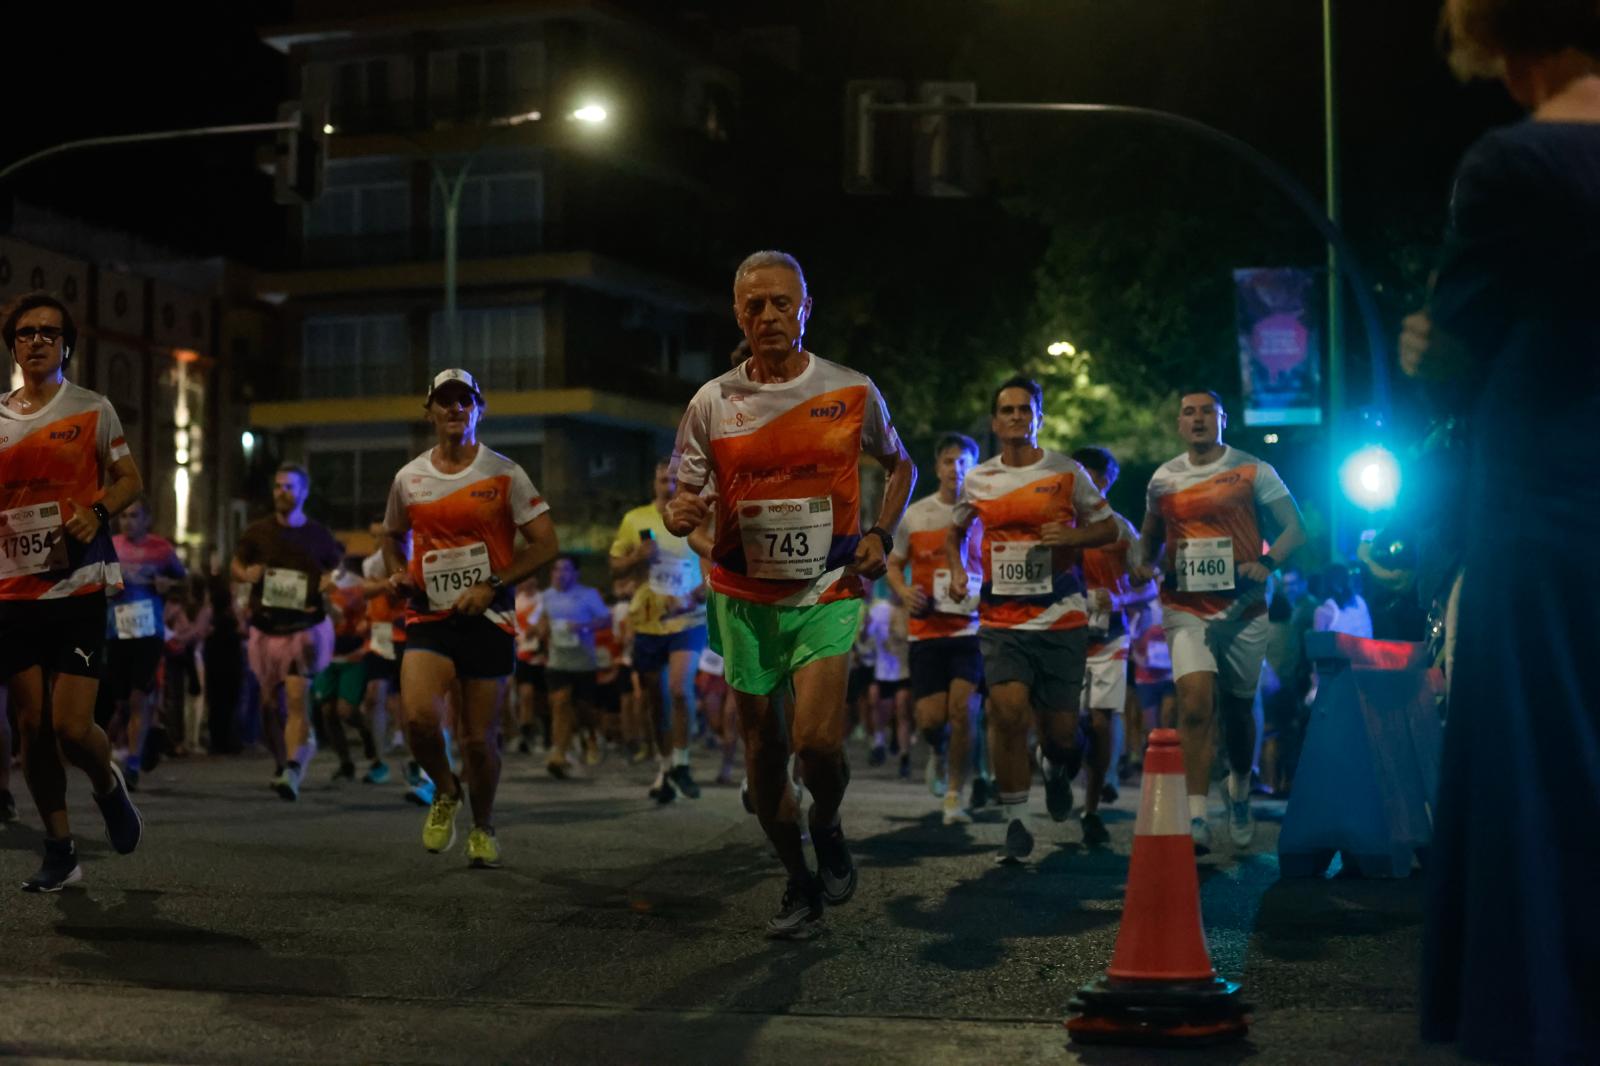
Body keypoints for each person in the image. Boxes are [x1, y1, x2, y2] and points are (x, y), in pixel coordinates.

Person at [1408, 5, 1600, 1060]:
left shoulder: (1513, 162)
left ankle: (1546, 1017)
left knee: (1543, 762)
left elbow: (1458, 345)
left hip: (1545, 498)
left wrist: (1423, 341)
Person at [665, 249, 915, 938]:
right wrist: (679, 513)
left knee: (818, 743)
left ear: (806, 308)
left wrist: (883, 533)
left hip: (826, 588)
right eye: (755, 305)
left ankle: (827, 822)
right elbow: (684, 491)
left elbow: (901, 463)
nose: (769, 315)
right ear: (737, 314)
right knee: (764, 750)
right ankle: (798, 884)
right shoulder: (711, 401)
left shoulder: (851, 390)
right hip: (742, 594)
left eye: (782, 302)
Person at [382, 369, 559, 868]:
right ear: (431, 412)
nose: (454, 408)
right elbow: (391, 535)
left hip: (488, 618)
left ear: (479, 408)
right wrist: (398, 571)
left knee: (478, 740)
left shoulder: (505, 473)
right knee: (418, 719)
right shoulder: (409, 477)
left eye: (464, 400)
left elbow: (546, 543)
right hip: (429, 615)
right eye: (444, 401)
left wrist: (493, 584)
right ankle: (444, 789)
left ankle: (484, 825)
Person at [0, 291, 144, 891]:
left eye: (49, 334)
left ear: (67, 347)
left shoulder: (92, 407)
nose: (37, 340)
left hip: (80, 584)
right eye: (27, 332)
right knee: (30, 726)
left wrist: (98, 512)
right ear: (14, 344)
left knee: (69, 727)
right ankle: (61, 849)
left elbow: (129, 479)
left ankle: (107, 782)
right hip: (12, 594)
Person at [944, 375, 1117, 864]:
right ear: (995, 421)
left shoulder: (1067, 472)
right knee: (1008, 713)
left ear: (1039, 417)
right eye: (1007, 410)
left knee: (1062, 735)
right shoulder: (978, 478)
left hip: (1061, 615)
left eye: (1026, 409)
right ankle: (1016, 820)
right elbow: (953, 531)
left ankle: (1057, 766)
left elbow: (1106, 527)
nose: (1017, 417)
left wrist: (1072, 539)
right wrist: (958, 569)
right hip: (1002, 617)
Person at [1129, 390, 1306, 856]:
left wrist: (1267, 565)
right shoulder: (1164, 477)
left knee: (1238, 713)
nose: (1198, 418)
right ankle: (1197, 817)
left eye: (1207, 411)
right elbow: (1148, 539)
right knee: (1193, 703)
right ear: (1179, 424)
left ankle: (1241, 789)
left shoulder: (1253, 469)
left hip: (1242, 609)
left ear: (1222, 420)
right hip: (1185, 607)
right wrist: (1143, 564)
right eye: (1188, 412)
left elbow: (1296, 528)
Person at [885, 432, 987, 824]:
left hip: (970, 629)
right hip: (927, 629)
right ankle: (937, 752)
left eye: (964, 461)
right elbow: (893, 563)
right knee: (931, 720)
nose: (956, 468)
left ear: (974, 468)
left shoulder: (985, 515)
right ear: (937, 468)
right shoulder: (915, 515)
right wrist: (904, 590)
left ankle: (956, 797)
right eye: (949, 461)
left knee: (964, 710)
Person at [233, 463, 344, 801]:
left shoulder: (318, 535)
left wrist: (330, 580)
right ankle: (283, 762)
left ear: (304, 492)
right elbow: (236, 565)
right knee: (268, 705)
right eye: (278, 486)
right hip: (266, 628)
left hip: (303, 627)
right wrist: (246, 574)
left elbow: (336, 566)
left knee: (297, 699)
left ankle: (294, 769)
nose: (282, 492)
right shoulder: (257, 532)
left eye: (290, 487)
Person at [1070, 446, 1158, 846]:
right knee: (1064, 727)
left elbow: (1147, 586)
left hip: (1110, 634)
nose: (1088, 486)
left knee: (1103, 719)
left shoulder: (1122, 529)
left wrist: (1118, 599)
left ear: (1108, 481)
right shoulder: (1059, 526)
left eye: (1096, 478)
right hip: (1063, 637)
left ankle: (1091, 807)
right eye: (1081, 477)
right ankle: (1059, 765)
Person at [610, 459, 711, 801]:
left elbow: (714, 565)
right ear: (654, 482)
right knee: (654, 698)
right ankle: (665, 766)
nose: (667, 484)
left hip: (689, 618)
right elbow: (615, 565)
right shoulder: (635, 519)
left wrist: (696, 594)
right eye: (662, 479)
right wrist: (638, 555)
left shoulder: (698, 516)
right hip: (647, 620)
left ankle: (682, 762)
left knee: (679, 688)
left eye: (673, 479)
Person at [101, 497, 187, 790]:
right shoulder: (109, 545)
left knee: (140, 696)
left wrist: (168, 585)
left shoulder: (161, 549)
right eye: (124, 516)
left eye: (135, 516)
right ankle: (105, 757)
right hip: (117, 631)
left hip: (149, 631)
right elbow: (93, 581)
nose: (128, 521)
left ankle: (133, 764)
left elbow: (184, 582)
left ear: (146, 520)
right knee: (122, 703)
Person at [537, 555, 611, 780]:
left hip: (584, 662)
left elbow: (606, 620)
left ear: (576, 573)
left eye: (566, 569)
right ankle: (559, 753)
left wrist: (582, 626)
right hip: (557, 662)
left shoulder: (588, 595)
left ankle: (591, 736)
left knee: (584, 709)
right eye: (556, 569)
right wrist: (542, 631)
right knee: (559, 703)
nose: (560, 574)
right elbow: (540, 622)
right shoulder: (545, 597)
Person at [312, 555, 370, 782]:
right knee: (327, 712)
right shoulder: (316, 584)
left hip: (352, 655)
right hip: (327, 655)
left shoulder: (356, 585)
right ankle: (345, 762)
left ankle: (367, 734)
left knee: (345, 711)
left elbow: (349, 617)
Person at [866, 592, 914, 779]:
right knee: (877, 704)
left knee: (902, 710)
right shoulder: (879, 610)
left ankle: (904, 756)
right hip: (883, 670)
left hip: (903, 670)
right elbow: (866, 636)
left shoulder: (910, 610)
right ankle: (880, 741)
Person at [512, 576, 548, 755]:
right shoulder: (516, 602)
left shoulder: (543, 600)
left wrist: (540, 635)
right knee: (526, 695)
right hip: (523, 655)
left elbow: (544, 625)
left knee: (542, 699)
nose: (528, 582)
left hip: (542, 657)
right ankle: (526, 735)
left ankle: (546, 731)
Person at [1312, 564, 1373, 639]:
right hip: (1369, 650)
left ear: (1324, 583)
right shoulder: (1360, 601)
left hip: (1342, 650)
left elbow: (1317, 646)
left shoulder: (1323, 612)